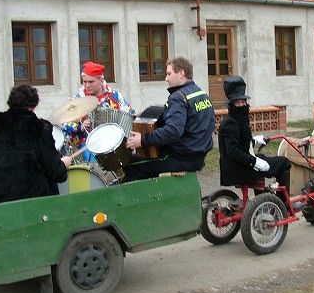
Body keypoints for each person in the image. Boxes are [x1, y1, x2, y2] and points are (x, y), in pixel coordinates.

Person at [0, 84, 72, 205]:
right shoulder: (39, 127)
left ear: (10, 103)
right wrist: (63, 164)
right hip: (28, 200)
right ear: (34, 106)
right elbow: (56, 172)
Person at [124, 56, 215, 181]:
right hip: (198, 156)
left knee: (129, 166)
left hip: (180, 158)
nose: (166, 78)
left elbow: (173, 131)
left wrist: (143, 140)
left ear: (181, 73)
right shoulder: (202, 94)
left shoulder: (178, 98)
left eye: (169, 74)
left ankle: (150, 199)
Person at [218, 75, 294, 205]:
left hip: (234, 166)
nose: (242, 106)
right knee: (284, 162)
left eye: (243, 102)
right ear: (231, 105)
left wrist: (255, 141)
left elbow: (240, 144)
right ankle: (284, 204)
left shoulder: (235, 120)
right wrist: (254, 162)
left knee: (262, 155)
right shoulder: (231, 123)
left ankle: (261, 199)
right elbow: (234, 151)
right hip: (237, 170)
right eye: (238, 103)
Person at [62, 61, 135, 161]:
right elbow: (64, 127)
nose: (87, 85)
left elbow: (130, 115)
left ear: (101, 80)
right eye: (84, 81)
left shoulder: (115, 96)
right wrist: (80, 127)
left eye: (91, 82)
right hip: (88, 146)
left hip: (115, 144)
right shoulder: (77, 101)